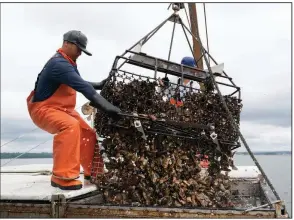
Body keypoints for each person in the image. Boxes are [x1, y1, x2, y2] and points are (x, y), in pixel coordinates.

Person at [26, 30, 121, 190]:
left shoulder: (68, 62)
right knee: (70, 126)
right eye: (78, 49)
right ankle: (62, 177)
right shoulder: (58, 64)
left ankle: (95, 173)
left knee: (87, 133)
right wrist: (108, 107)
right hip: (44, 109)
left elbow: (79, 81)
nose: (80, 53)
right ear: (66, 44)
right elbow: (83, 87)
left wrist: (99, 84)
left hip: (63, 109)